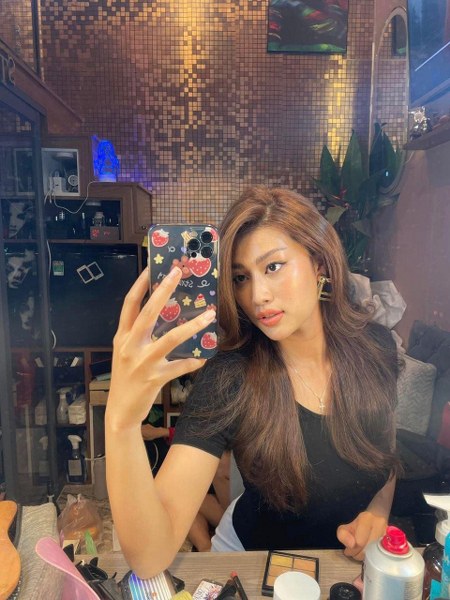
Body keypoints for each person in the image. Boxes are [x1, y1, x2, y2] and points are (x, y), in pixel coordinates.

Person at [106, 186, 400, 578]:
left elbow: (384, 457)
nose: (257, 295)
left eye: (273, 266)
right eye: (241, 277)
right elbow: (149, 557)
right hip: (252, 563)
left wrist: (377, 512)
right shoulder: (231, 376)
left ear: (319, 262)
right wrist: (121, 423)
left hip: (343, 568)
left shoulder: (376, 348)